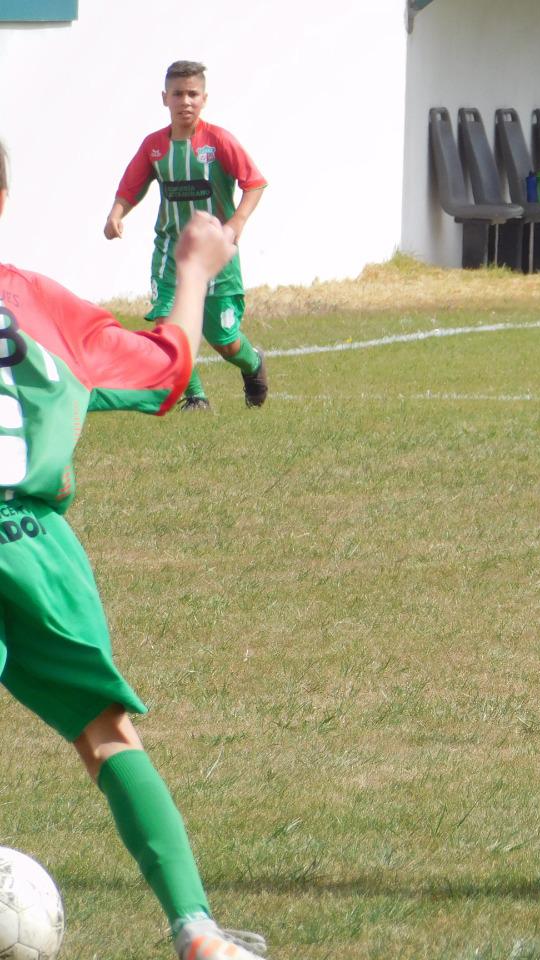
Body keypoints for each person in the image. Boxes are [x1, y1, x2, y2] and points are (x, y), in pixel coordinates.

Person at [1, 142, 267, 959]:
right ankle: (197, 933)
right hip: (30, 547)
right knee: (107, 734)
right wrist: (193, 267)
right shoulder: (35, 305)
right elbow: (167, 370)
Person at [104, 60, 268, 412]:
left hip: (216, 258)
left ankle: (253, 364)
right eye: (178, 93)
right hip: (170, 254)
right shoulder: (154, 146)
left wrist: (236, 223)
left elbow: (254, 183)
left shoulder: (219, 141)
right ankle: (196, 397)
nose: (186, 101)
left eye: (193, 93)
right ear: (165, 98)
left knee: (224, 341)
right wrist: (116, 214)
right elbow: (131, 185)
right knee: (169, 326)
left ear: (204, 98)